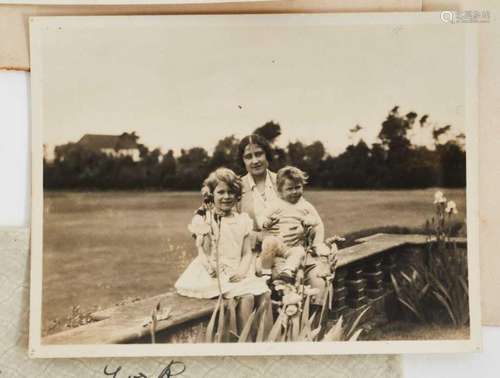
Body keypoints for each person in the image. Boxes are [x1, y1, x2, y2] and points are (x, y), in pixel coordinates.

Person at [237, 134, 333, 307]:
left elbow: (304, 214)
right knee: (286, 288)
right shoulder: (237, 188)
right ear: (242, 160)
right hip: (262, 256)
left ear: (267, 155)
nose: (255, 160)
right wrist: (261, 237)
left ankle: (316, 329)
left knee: (321, 283)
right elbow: (233, 230)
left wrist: (304, 231)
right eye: (248, 156)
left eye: (259, 154)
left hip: (295, 250)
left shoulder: (285, 179)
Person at [174, 167, 270, 329]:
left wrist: (241, 271)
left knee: (265, 294)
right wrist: (209, 266)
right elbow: (203, 252)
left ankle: (266, 342)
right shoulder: (206, 219)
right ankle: (242, 343)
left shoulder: (243, 220)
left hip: (237, 269)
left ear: (237, 195)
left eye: (231, 192)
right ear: (212, 194)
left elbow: (247, 253)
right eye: (221, 192)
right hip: (214, 271)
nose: (226, 197)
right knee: (246, 298)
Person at [257, 166, 332, 284]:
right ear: (280, 190)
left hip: (294, 246)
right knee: (269, 242)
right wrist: (266, 222)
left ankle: (288, 271)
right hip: (279, 242)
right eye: (289, 189)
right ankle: (265, 272)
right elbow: (261, 217)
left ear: (302, 186)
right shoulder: (276, 204)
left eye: (298, 187)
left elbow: (318, 224)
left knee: (299, 252)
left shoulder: (306, 206)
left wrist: (317, 243)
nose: (294, 192)